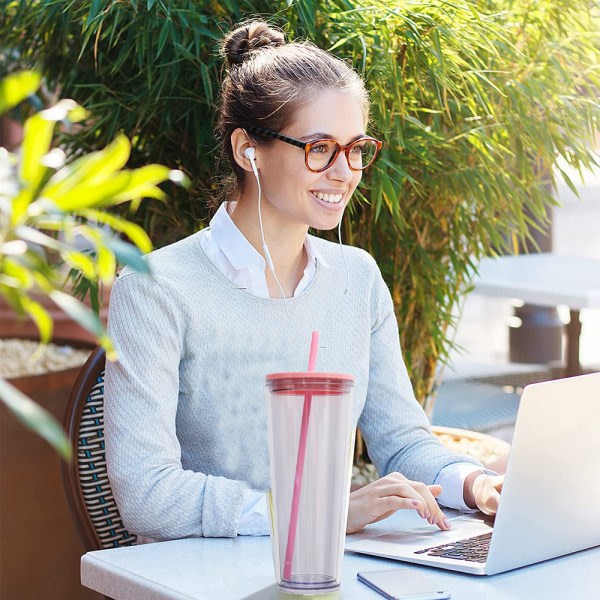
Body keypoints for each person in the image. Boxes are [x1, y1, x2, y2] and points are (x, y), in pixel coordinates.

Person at [104, 20, 503, 543]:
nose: (345, 172)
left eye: (356, 148)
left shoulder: (357, 279)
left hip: (331, 572)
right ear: (249, 149)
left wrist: (476, 484)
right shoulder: (156, 289)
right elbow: (148, 497)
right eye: (320, 148)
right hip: (200, 582)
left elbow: (403, 443)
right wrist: (316, 514)